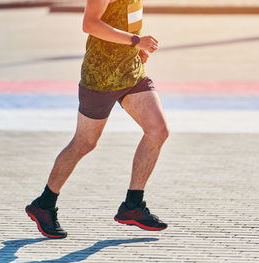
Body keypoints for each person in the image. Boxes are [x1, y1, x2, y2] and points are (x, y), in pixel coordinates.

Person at [25, 0, 169, 238]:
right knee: (84, 143)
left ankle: (132, 205)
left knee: (158, 131)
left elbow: (126, 18)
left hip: (131, 72)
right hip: (101, 77)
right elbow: (90, 24)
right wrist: (135, 41)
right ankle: (44, 204)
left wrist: (136, 47)